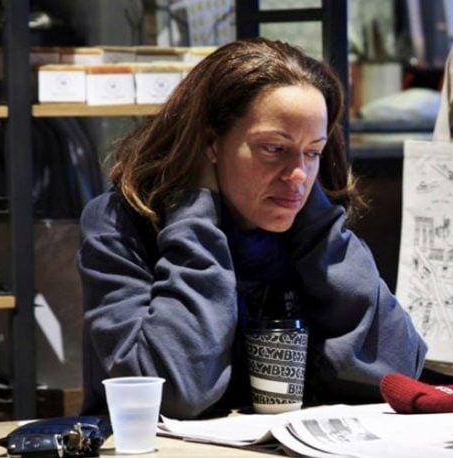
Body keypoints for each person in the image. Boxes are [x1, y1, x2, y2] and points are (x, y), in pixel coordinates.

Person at [77, 38, 427, 419]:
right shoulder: (120, 223)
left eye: (313, 152)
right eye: (274, 149)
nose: (298, 176)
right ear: (209, 143)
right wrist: (194, 215)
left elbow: (396, 373)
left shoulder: (313, 228)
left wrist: (319, 223)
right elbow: (172, 391)